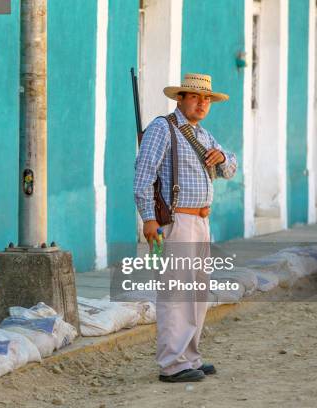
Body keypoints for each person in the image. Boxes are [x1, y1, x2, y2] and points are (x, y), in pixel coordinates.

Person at [133, 73, 237, 382]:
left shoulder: (203, 135)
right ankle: (172, 364)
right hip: (177, 222)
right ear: (181, 99)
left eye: (206, 99)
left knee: (197, 293)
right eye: (195, 97)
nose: (202, 103)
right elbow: (143, 175)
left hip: (201, 221)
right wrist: (149, 219)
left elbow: (230, 168)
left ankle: (189, 357)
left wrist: (223, 156)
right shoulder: (161, 128)